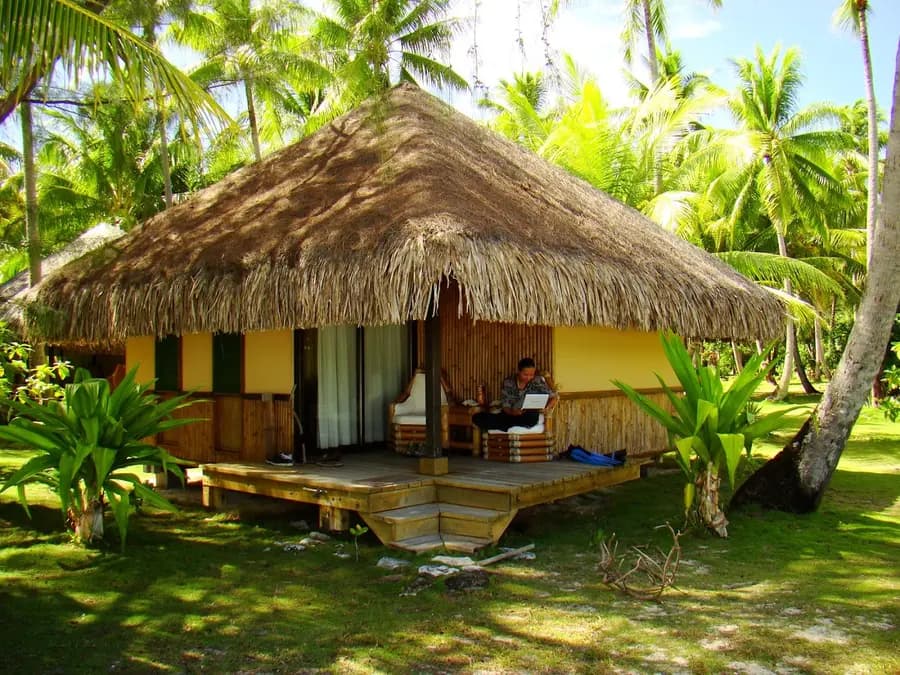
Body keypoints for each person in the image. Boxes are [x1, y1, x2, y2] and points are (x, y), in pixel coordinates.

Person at [473, 357, 557, 432]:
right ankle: (506, 424)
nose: (529, 378)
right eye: (525, 374)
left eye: (531, 375)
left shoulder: (537, 380)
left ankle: (504, 425)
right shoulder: (508, 382)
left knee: (530, 418)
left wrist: (547, 408)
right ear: (518, 371)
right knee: (477, 418)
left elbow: (553, 397)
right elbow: (505, 405)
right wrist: (512, 412)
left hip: (528, 415)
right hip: (510, 414)